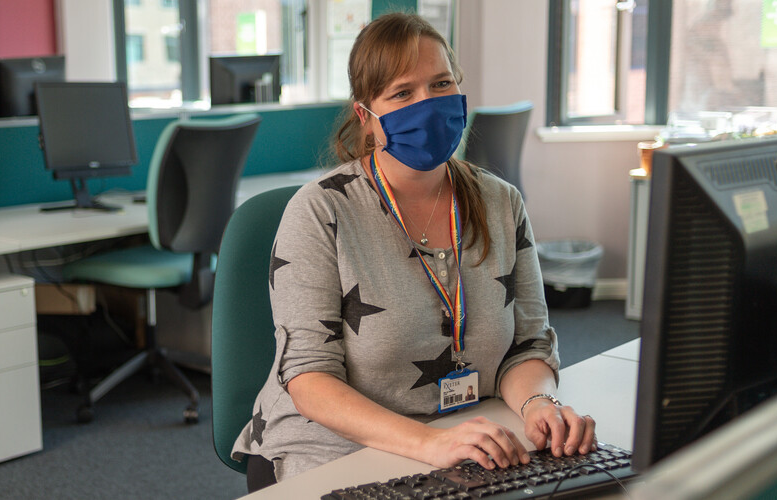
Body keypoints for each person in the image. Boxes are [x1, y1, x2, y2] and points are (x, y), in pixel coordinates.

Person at [231, 12, 596, 492]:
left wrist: (539, 406)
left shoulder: (500, 202)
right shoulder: (320, 211)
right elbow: (308, 380)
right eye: (403, 93)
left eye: (442, 83)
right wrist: (429, 445)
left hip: (463, 436)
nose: (428, 103)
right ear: (367, 118)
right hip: (329, 445)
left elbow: (527, 345)